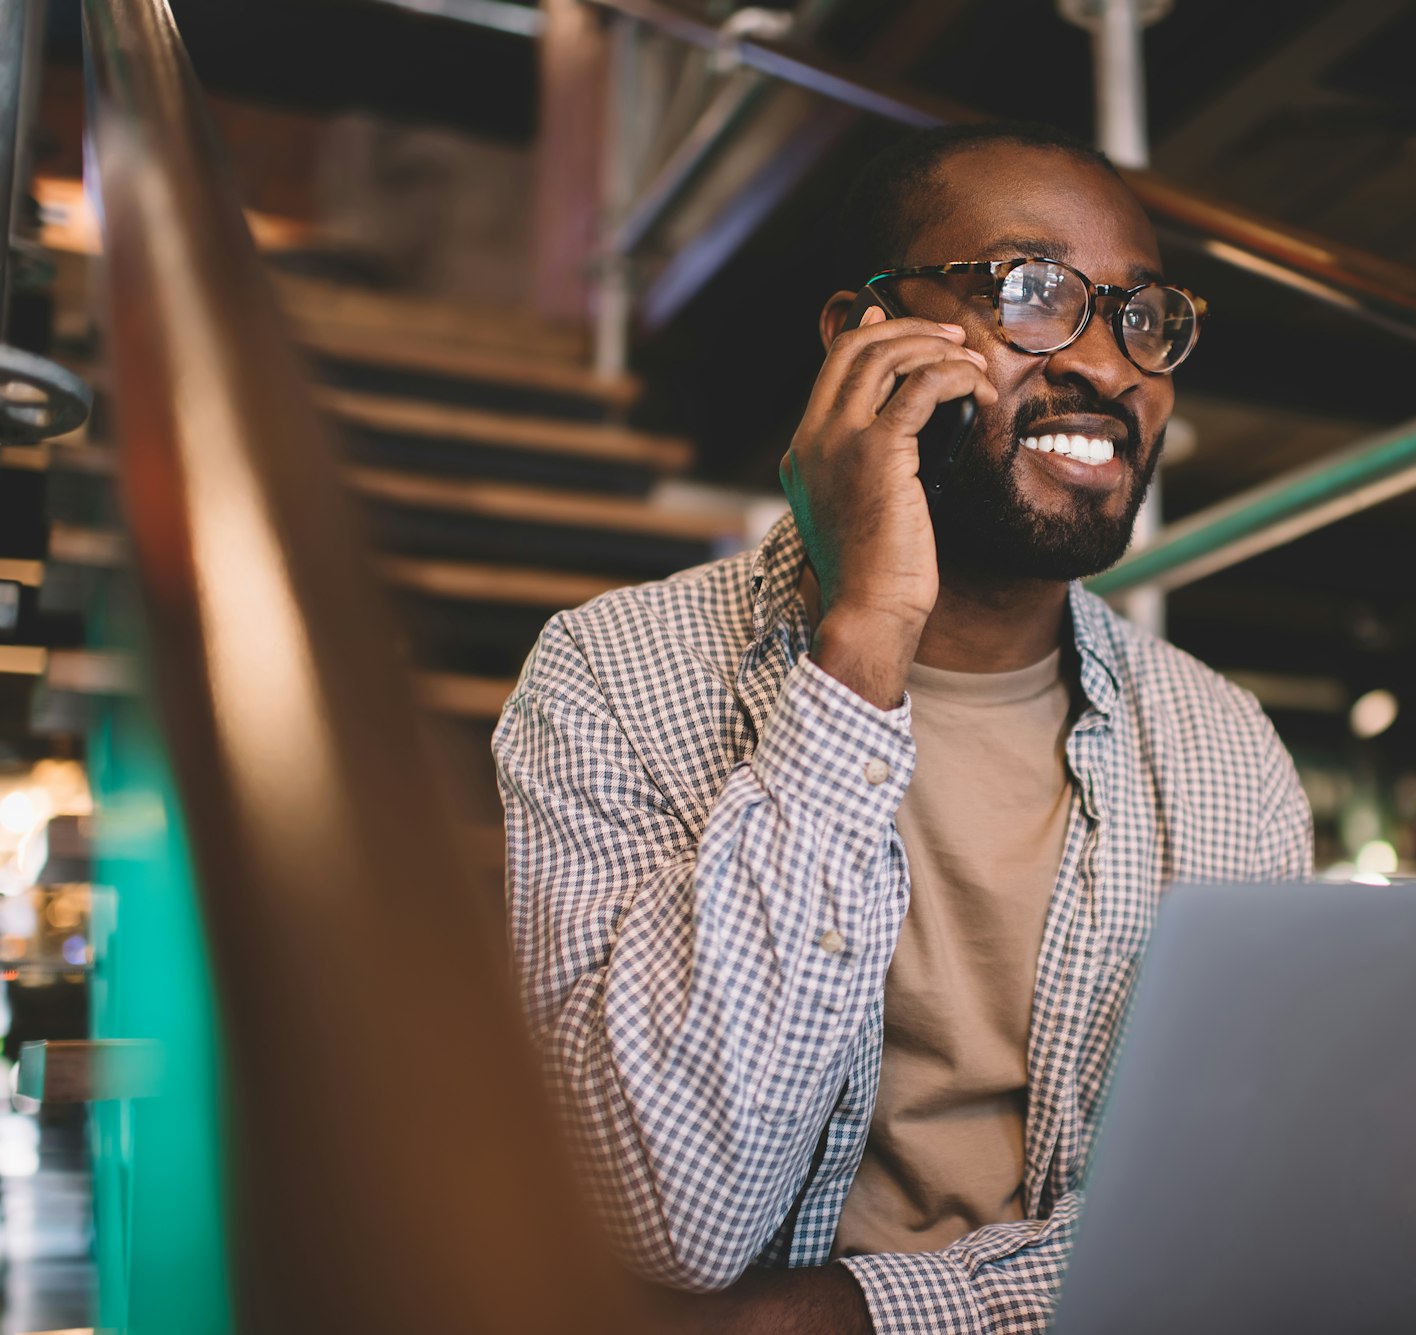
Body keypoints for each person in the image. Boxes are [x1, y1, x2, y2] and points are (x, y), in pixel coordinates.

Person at [494, 120, 1313, 1335]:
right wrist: (864, 635)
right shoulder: (611, 674)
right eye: (1033, 293)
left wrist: (832, 1319)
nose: (1104, 364)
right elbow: (658, 1215)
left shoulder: (1224, 750)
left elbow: (1231, 1228)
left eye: (1142, 317)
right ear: (861, 336)